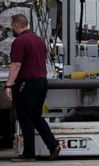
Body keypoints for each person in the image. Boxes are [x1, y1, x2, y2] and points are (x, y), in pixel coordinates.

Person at [6, 13, 60, 161]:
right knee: (36, 116)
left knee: (24, 117)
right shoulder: (39, 40)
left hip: (26, 83)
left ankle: (29, 153)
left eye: (12, 26)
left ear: (17, 26)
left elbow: (16, 65)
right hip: (42, 82)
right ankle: (52, 144)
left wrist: (8, 85)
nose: (12, 29)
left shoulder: (19, 42)